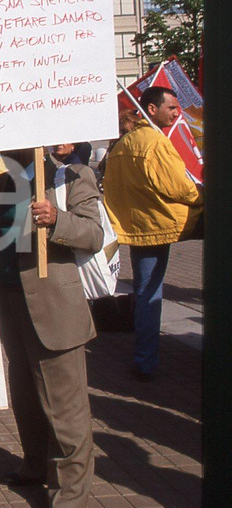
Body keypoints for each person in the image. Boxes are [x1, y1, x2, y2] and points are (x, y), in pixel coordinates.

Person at [0, 146, 103, 508]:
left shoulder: (71, 176)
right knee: (27, 400)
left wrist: (56, 220)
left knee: (66, 413)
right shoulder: (0, 180)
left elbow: (94, 234)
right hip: (11, 304)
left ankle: (69, 501)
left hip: (54, 311)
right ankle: (35, 464)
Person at [101, 86, 203, 381]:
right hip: (161, 224)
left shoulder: (122, 145)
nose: (176, 113)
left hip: (137, 227)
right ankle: (145, 360)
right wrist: (203, 196)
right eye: (171, 108)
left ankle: (144, 360)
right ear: (152, 109)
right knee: (149, 292)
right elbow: (179, 187)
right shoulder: (155, 142)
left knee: (146, 290)